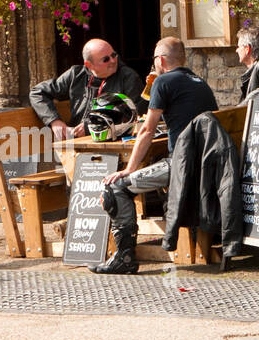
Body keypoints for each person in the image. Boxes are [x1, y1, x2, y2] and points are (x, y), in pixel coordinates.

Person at [92, 38, 218, 275]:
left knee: (116, 188)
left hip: (182, 164)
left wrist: (129, 169)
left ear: (160, 60)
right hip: (205, 162)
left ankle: (125, 258)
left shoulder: (163, 81)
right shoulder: (199, 82)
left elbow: (147, 130)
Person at [28, 39, 147, 143]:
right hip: (77, 142)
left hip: (113, 141)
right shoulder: (76, 74)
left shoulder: (128, 77)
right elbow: (37, 92)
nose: (113, 60)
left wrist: (91, 126)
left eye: (114, 55)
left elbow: (136, 113)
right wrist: (54, 121)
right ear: (89, 65)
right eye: (106, 59)